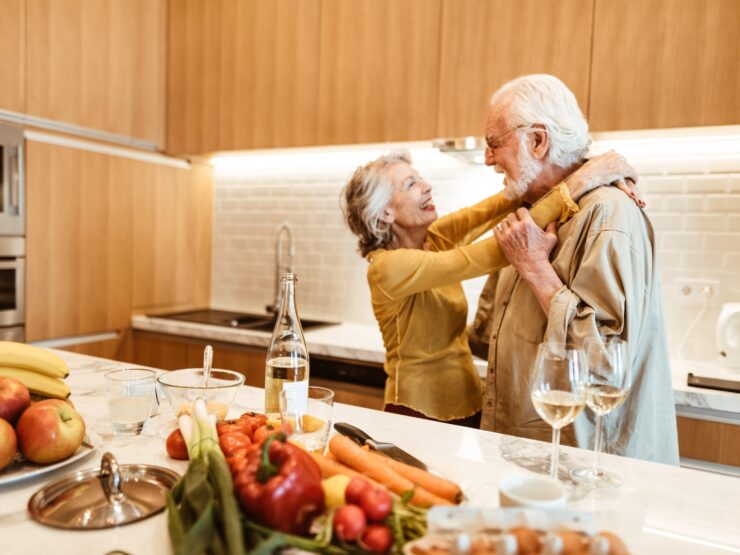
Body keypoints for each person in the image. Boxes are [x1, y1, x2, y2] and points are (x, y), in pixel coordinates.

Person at [341, 148, 637, 427]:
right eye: (410, 184)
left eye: (419, 178)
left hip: (470, 403)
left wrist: (583, 166)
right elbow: (493, 252)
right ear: (385, 213)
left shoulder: (434, 237)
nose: (426, 186)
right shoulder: (387, 267)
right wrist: (580, 182)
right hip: (415, 411)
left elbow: (498, 205)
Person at [469, 74, 679, 464]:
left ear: (538, 140)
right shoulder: (530, 214)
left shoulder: (608, 214)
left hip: (591, 469)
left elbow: (605, 362)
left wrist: (536, 270)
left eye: (494, 144)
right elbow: (488, 339)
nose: (487, 158)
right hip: (528, 461)